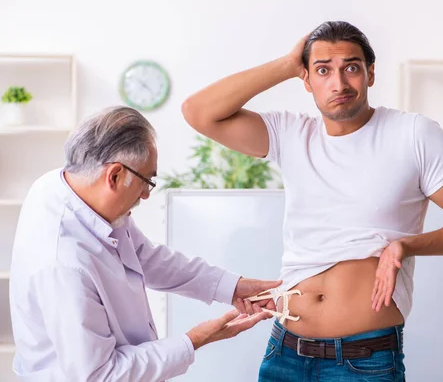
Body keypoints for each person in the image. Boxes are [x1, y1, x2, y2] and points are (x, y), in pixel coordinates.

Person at [181, 20, 443, 381]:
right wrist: (288, 63)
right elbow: (198, 112)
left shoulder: (413, 134)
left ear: (370, 73)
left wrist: (403, 247)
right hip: (284, 352)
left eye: (351, 67)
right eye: (322, 70)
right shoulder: (290, 133)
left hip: (364, 359)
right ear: (306, 80)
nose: (339, 83)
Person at [9, 106, 282, 381]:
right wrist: (195, 340)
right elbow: (99, 376)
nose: (146, 194)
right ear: (114, 175)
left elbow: (144, 256)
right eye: (146, 181)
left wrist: (232, 286)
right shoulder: (64, 265)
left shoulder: (68, 188)